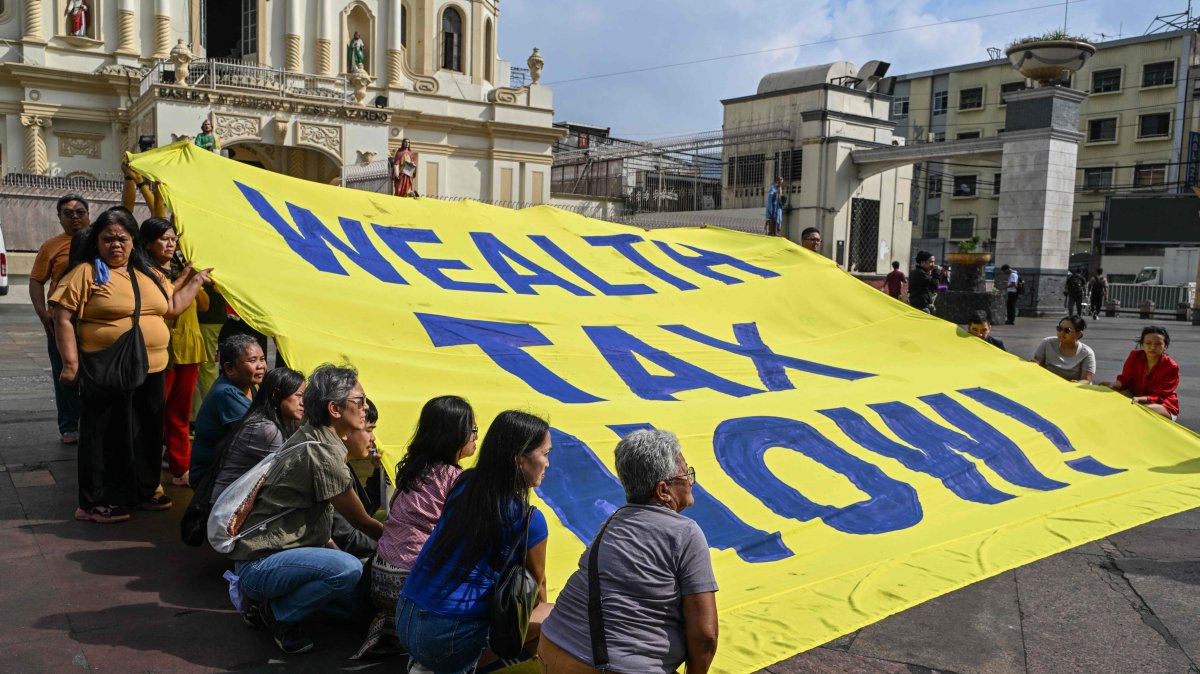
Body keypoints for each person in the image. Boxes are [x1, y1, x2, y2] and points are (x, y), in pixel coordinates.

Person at [49, 208, 211, 523]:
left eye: (122, 239)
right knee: (103, 435)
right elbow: (63, 317)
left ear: (133, 242)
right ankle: (94, 503)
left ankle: (144, 491)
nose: (115, 245)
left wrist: (198, 279)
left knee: (148, 432)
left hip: (152, 368)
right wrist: (70, 364)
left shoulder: (150, 273)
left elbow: (173, 306)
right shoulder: (86, 273)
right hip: (105, 367)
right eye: (107, 239)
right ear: (96, 241)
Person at [227, 364, 383, 654]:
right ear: (335, 409)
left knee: (358, 610)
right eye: (359, 401)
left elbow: (317, 522)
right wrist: (409, 546)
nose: (365, 408)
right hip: (261, 564)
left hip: (280, 557)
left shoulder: (314, 435)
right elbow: (361, 522)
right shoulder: (324, 455)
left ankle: (266, 605)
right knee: (348, 570)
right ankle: (277, 614)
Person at [539, 429, 719, 674]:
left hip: (551, 650)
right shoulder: (686, 533)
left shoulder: (611, 522)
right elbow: (706, 635)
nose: (691, 481)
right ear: (663, 490)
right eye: (686, 473)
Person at [396, 410, 554, 673]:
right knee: (554, 621)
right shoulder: (529, 521)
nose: (548, 463)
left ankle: (433, 663)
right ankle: (455, 666)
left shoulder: (463, 484)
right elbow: (537, 590)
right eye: (545, 454)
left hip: (406, 617)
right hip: (445, 637)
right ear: (520, 461)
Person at [354, 395, 477, 660]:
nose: (476, 437)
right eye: (472, 431)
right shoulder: (457, 479)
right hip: (411, 585)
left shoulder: (413, 468)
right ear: (454, 435)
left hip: (380, 580)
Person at [139, 218, 210, 486]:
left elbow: (202, 305)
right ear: (147, 243)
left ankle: (181, 468)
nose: (170, 244)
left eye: (173, 239)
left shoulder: (184, 268)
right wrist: (181, 281)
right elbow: (164, 305)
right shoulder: (145, 271)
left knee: (179, 414)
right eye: (164, 239)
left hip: (188, 348)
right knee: (152, 415)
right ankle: (146, 474)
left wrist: (193, 279)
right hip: (159, 349)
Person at [30, 193, 90, 444]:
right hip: (61, 320)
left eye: (80, 212)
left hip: (93, 320)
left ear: (89, 215)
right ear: (59, 218)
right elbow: (36, 281)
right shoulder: (52, 246)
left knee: (94, 374)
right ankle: (69, 425)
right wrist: (43, 314)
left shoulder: (101, 240)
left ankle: (92, 422)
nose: (75, 217)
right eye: (68, 213)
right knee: (65, 372)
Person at [208, 367, 306, 503]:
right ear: (276, 395)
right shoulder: (265, 429)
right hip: (226, 510)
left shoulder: (275, 421)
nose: (303, 402)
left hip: (237, 502)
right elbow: (291, 473)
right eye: (299, 395)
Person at [190, 334, 267, 488]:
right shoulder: (227, 394)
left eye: (262, 359)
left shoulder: (249, 384)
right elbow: (261, 434)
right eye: (252, 360)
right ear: (229, 368)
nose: (260, 366)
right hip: (211, 478)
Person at [330, 399, 383, 558]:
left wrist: (379, 472)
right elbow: (346, 536)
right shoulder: (332, 468)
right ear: (346, 431)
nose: (373, 438)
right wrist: (391, 546)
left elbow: (363, 510)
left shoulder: (345, 464)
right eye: (368, 430)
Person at [1101, 326, 1180, 420]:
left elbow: (1160, 396)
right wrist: (1116, 384)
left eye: (1158, 344)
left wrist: (1139, 399)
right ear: (1142, 344)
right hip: (1136, 397)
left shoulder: (1171, 367)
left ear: (1165, 346)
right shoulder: (1134, 356)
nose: (1152, 347)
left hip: (1162, 404)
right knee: (1112, 395)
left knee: (1144, 410)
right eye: (1148, 343)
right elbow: (1125, 378)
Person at [1033, 315, 1096, 383]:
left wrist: (1076, 384)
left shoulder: (1087, 353)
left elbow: (1086, 379)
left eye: (1067, 330)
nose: (1061, 333)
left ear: (1079, 334)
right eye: (1059, 329)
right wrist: (1033, 364)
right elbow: (1037, 365)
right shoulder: (1047, 342)